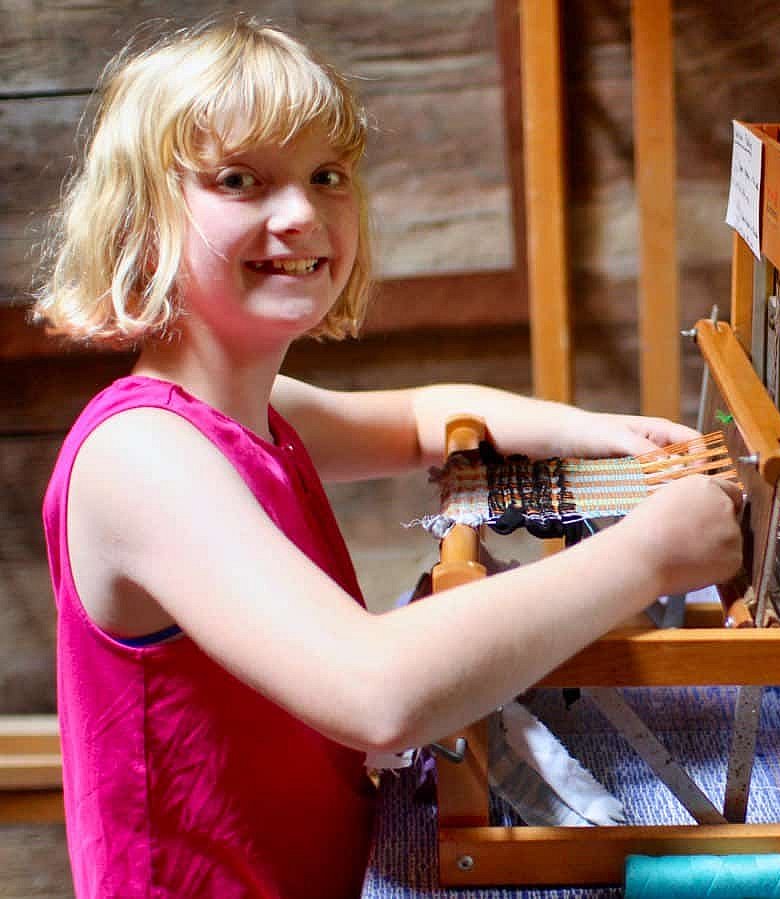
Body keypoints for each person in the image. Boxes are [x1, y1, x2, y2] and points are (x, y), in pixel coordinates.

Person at [34, 17, 743, 898]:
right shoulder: (143, 457)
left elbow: (419, 416)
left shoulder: (246, 408)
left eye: (326, 176)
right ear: (139, 219)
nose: (301, 213)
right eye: (240, 179)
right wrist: (652, 554)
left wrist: (588, 429)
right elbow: (377, 692)